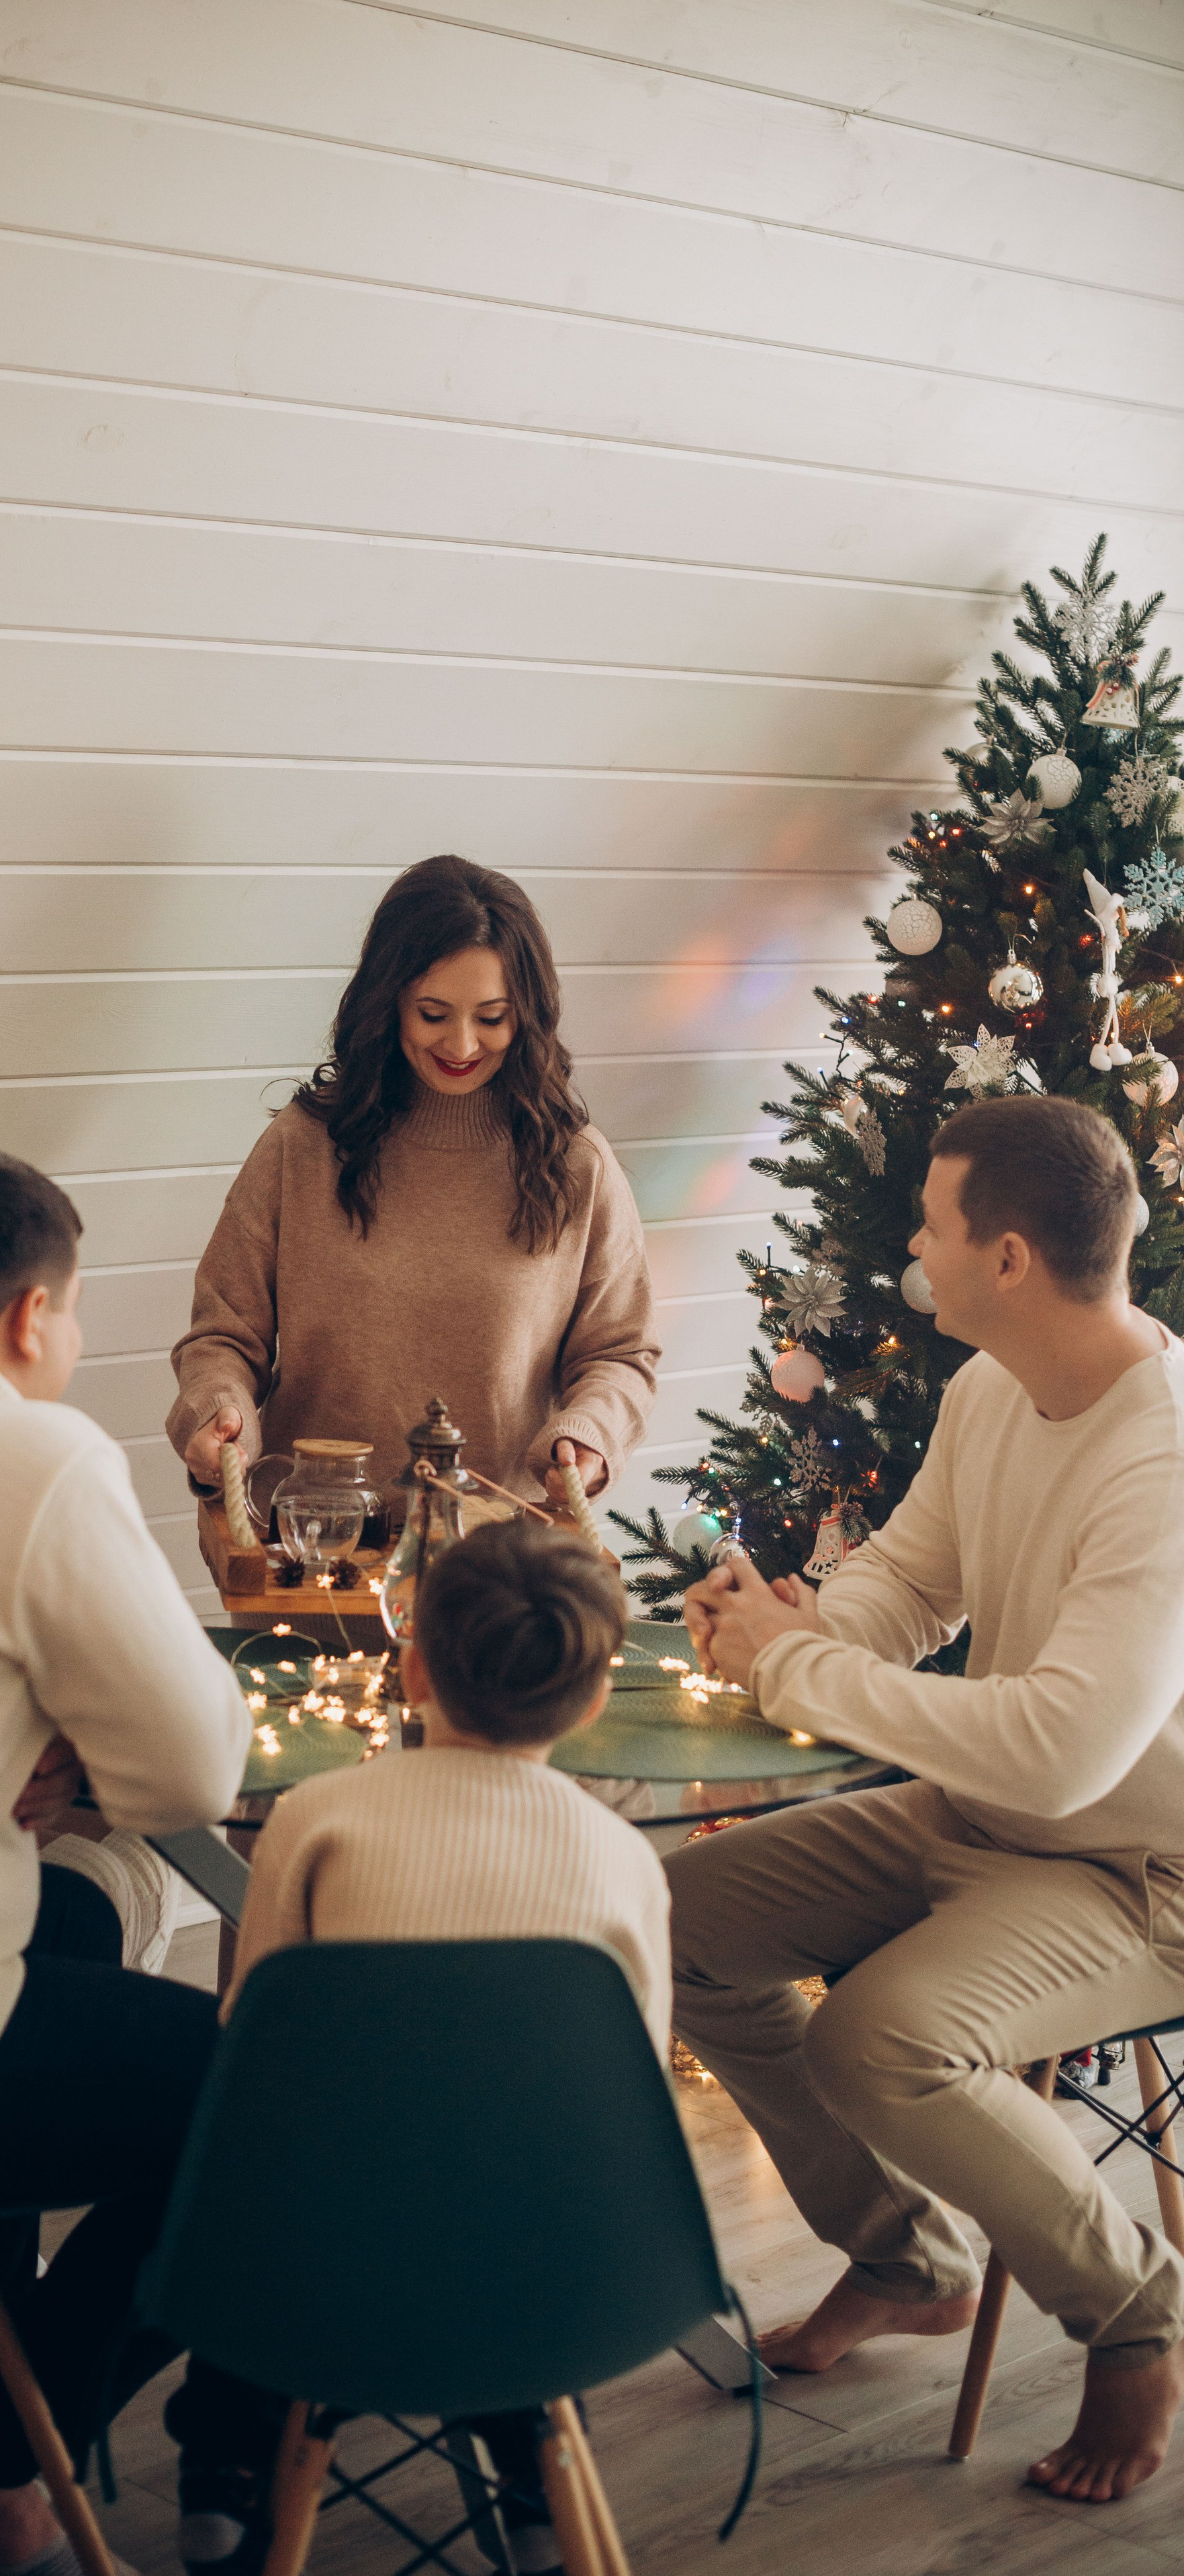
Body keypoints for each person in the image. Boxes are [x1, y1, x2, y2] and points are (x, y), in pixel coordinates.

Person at [669, 1095, 1184, 2507]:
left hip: (1135, 1868)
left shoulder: (1163, 1455)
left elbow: (1064, 1752)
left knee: (879, 2041)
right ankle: (906, 2258)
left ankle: (1136, 2311)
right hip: (973, 1818)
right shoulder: (987, 1389)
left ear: (1005, 1258)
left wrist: (802, 1673)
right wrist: (800, 1627)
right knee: (667, 1922)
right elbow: (911, 1579)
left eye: (929, 1223)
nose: (909, 1244)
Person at [0, 1143, 265, 2574]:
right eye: (75, 1315)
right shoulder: (27, 1452)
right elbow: (191, 1771)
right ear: (31, 1315)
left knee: (75, 1927)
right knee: (271, 2101)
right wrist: (77, 1739)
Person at [218, 1516, 669, 2575]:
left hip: (322, 2260)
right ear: (598, 1696)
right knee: (502, 2188)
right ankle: (536, 2486)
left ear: (412, 1668)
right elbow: (632, 2093)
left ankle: (224, 2469)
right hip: (558, 2276)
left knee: (283, 2186)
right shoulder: (622, 1856)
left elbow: (250, 2048)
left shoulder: (316, 1815)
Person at [168, 854, 658, 1517]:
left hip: (494, 1566)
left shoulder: (575, 1165)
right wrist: (218, 1411)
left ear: (528, 1015)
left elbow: (619, 1352)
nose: (461, 1042)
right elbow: (222, 1335)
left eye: (491, 1017)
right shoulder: (303, 1145)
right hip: (311, 1547)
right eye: (433, 1013)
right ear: (389, 1001)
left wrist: (590, 1433)